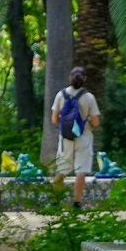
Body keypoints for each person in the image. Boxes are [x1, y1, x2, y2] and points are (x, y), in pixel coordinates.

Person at [50, 67, 100, 208]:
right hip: (84, 137)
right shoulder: (89, 97)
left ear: (70, 78)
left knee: (62, 170)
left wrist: (66, 120)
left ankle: (55, 201)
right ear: (85, 79)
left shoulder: (61, 95)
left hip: (66, 137)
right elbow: (96, 122)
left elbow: (54, 119)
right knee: (80, 171)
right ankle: (76, 203)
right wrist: (87, 118)